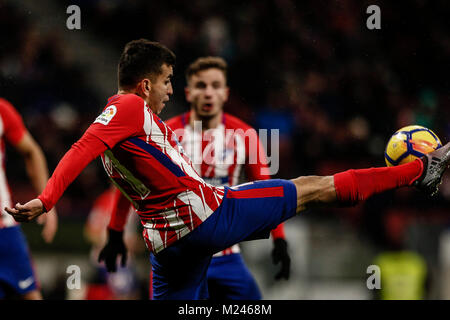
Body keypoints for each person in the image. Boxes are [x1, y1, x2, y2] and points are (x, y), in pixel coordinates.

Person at [6, 39, 450, 300]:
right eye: (167, 81)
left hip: (167, 244)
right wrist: (47, 199)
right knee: (314, 187)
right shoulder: (127, 108)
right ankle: (419, 170)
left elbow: (91, 153)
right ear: (145, 84)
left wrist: (50, 200)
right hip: (208, 218)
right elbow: (79, 148)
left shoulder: (124, 122)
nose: (172, 90)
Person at [0, 98, 58, 300]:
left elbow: (32, 151)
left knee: (32, 295)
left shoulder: (2, 110)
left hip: (4, 231)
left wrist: (46, 202)